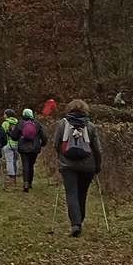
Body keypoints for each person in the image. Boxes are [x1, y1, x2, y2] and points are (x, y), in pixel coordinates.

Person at [54, 97, 105, 238]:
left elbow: (56, 143)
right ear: (85, 110)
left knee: (71, 194)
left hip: (67, 165)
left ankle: (75, 224)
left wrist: (60, 158)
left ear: (69, 109)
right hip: (88, 166)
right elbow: (97, 149)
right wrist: (98, 165)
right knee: (82, 194)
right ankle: (80, 220)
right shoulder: (90, 126)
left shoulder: (62, 124)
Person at [14, 108, 48, 192]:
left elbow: (14, 136)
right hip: (35, 148)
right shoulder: (37, 124)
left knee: (25, 165)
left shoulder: (20, 123)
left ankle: (25, 183)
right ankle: (30, 183)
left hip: (23, 148)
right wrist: (42, 144)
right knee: (31, 165)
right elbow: (44, 136)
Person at [0, 108, 21, 187]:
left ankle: (11, 178)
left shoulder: (5, 123)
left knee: (9, 161)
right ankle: (15, 176)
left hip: (8, 144)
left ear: (7, 115)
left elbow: (2, 134)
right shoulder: (18, 122)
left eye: (4, 114)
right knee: (16, 160)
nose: (3, 115)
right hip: (17, 144)